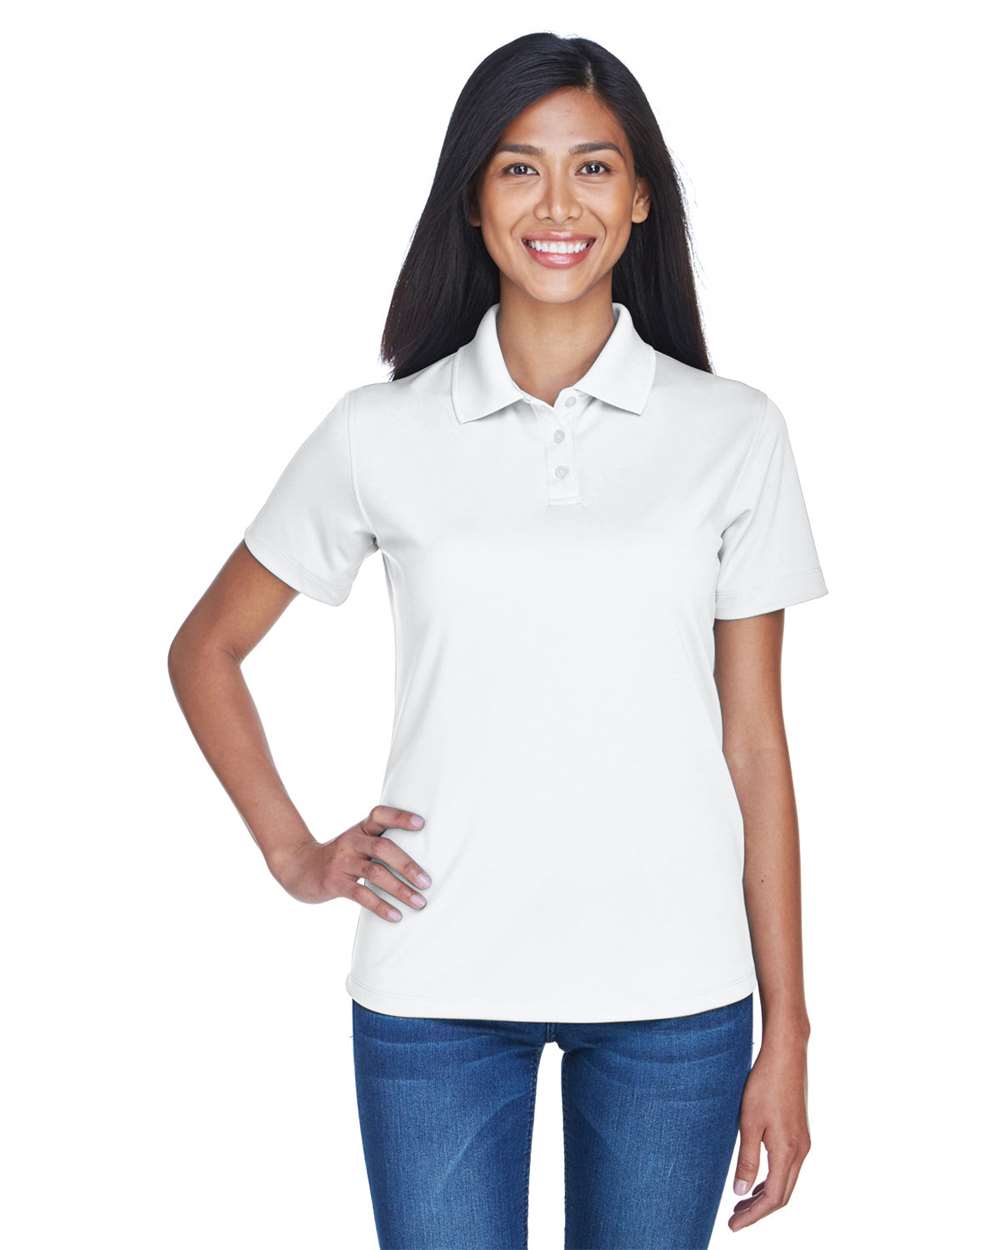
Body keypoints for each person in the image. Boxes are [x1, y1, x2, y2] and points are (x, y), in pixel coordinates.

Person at [168, 31, 828, 1250]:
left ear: (640, 198)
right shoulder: (380, 431)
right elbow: (206, 649)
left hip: (675, 993)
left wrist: (786, 1026)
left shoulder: (733, 434)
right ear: (473, 200)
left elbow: (754, 743)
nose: (558, 205)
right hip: (434, 987)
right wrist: (295, 854)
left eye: (593, 167)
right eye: (520, 168)